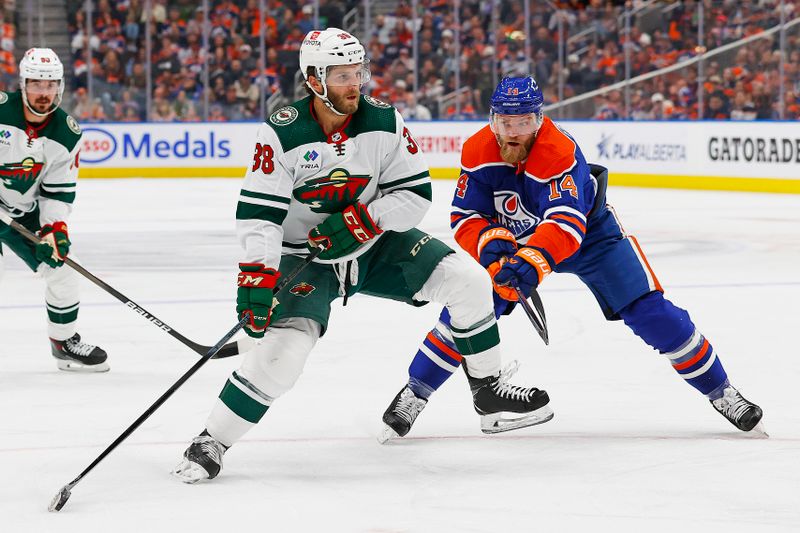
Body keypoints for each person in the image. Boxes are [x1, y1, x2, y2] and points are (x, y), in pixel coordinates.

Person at [172, 30, 553, 484]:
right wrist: (257, 280)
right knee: (281, 357)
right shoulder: (281, 132)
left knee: (468, 280)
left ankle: (488, 392)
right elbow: (259, 217)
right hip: (304, 257)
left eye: (358, 72)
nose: (355, 83)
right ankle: (212, 440)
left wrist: (361, 222)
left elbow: (415, 195)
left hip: (373, 247)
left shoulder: (384, 121)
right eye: (341, 75)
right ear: (314, 79)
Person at [379, 76, 764, 441]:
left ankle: (722, 392)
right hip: (514, 244)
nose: (513, 131)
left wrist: (531, 262)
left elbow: (566, 221)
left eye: (524, 121)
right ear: (492, 120)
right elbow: (466, 216)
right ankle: (416, 392)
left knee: (651, 311)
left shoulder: (558, 150)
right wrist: (494, 251)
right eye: (505, 121)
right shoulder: (478, 150)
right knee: (469, 310)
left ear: (540, 119)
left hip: (590, 239)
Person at [0, 48, 108, 372]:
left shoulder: (66, 132)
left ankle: (63, 343)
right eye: (36, 84)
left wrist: (53, 229)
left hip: (24, 212)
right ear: (23, 84)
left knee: (62, 272)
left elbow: (57, 192)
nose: (43, 93)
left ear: (59, 86)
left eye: (49, 85)